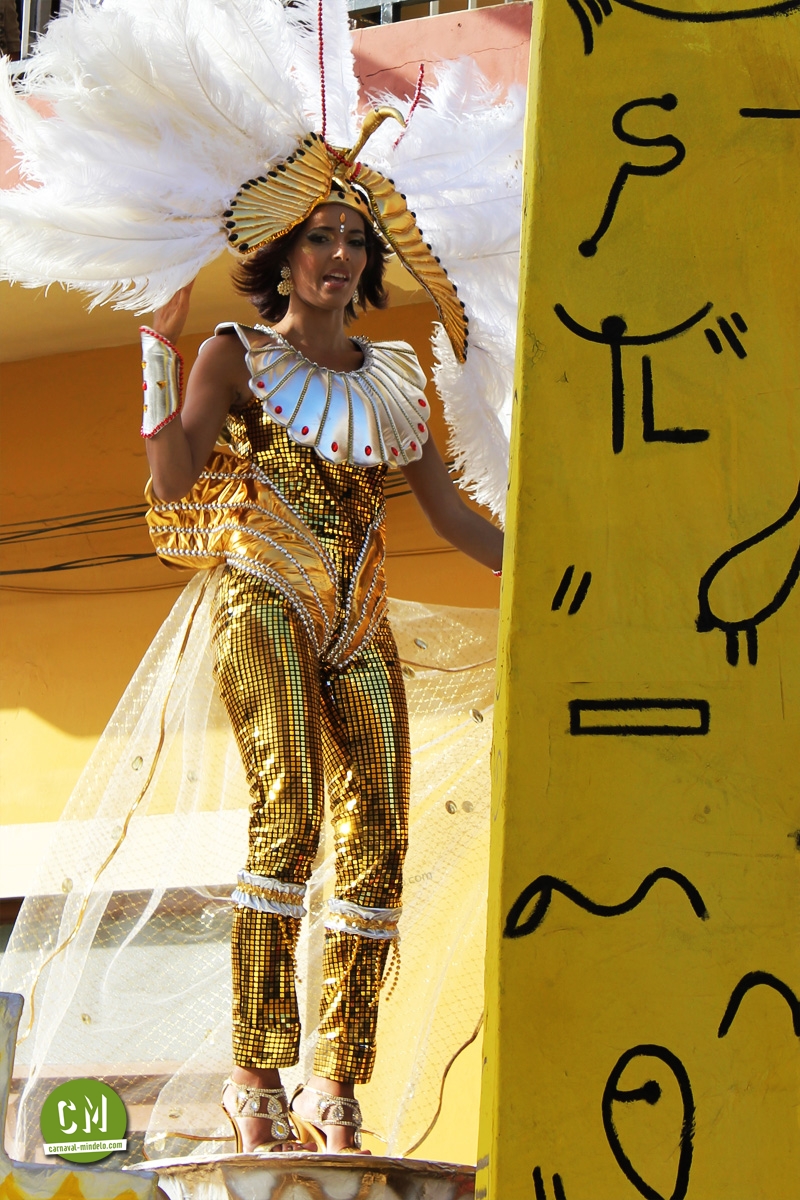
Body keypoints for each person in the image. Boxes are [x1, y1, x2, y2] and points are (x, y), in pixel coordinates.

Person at [140, 187, 503, 1155]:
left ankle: (334, 1084)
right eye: (319, 238)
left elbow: (452, 518)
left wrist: (553, 570)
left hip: (357, 615)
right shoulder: (235, 354)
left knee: (380, 835)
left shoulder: (392, 375)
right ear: (283, 254)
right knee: (290, 812)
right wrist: (157, 348)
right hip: (261, 592)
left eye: (355, 240)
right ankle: (255, 1075)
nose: (338, 255)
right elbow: (172, 480)